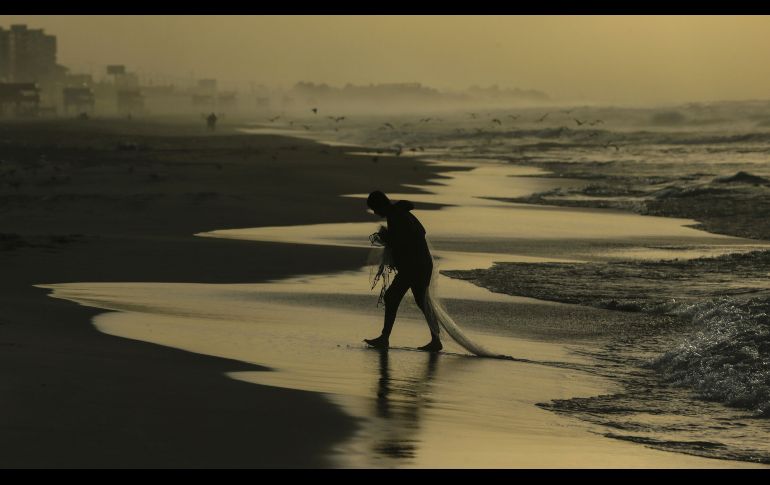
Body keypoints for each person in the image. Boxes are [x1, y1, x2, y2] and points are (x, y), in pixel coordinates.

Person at [364, 190, 442, 352]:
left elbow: (407, 239)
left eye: (374, 208)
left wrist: (387, 238)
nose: (374, 212)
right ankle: (435, 340)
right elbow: (417, 234)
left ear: (380, 205)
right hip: (420, 264)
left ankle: (385, 338)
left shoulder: (397, 216)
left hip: (415, 266)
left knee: (394, 297)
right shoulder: (399, 213)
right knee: (420, 301)